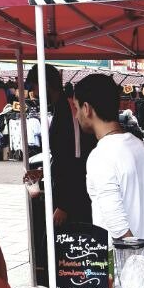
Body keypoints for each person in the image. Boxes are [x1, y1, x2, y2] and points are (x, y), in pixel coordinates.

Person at [77, 74, 144, 252]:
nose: (76, 115)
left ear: (86, 108)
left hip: (121, 272)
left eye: (77, 108)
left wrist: (135, 266)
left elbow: (117, 224)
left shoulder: (100, 156)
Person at [23, 64, 96, 226]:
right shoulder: (60, 109)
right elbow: (63, 156)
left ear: (45, 85)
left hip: (76, 202)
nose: (34, 94)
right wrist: (43, 171)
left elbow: (77, 163)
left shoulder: (70, 111)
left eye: (34, 87)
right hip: (69, 197)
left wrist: (65, 205)